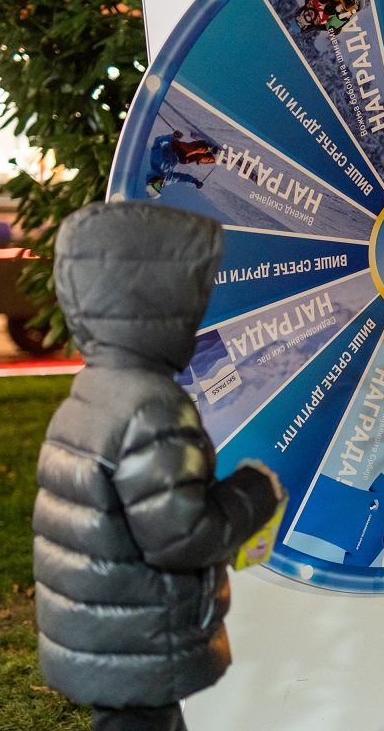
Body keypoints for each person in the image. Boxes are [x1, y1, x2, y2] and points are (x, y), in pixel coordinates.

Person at [32, 201, 284, 731]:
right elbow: (179, 537)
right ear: (159, 302)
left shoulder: (94, 388)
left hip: (104, 632)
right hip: (143, 637)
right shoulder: (152, 408)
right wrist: (255, 492)